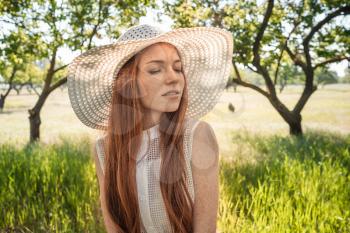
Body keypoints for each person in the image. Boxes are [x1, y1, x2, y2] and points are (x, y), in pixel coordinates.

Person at [67, 24, 233, 233]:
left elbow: (205, 229)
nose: (174, 78)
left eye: (178, 68)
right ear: (128, 84)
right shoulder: (104, 148)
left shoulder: (197, 136)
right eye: (155, 70)